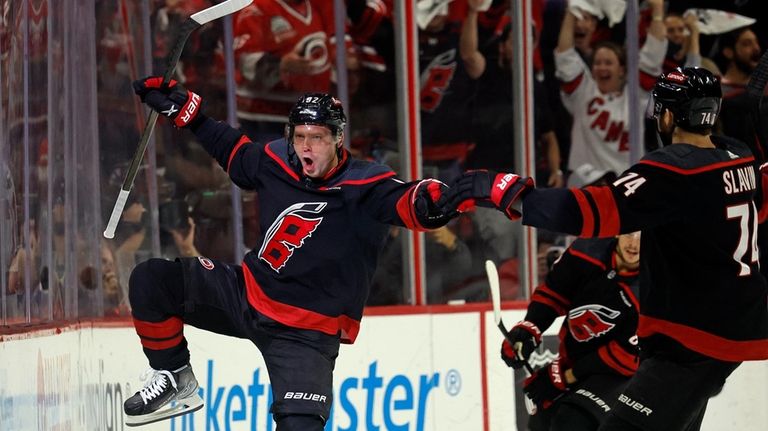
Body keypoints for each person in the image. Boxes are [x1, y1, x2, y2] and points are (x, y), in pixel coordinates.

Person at [439, 67, 768, 431]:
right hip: (731, 325)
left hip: (692, 340)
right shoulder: (738, 156)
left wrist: (507, 192)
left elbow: (593, 210)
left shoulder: (674, 170)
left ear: (669, 115)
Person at [121, 77, 451, 429]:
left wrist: (445, 199)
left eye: (318, 137)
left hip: (305, 332)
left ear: (338, 138)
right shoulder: (276, 159)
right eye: (301, 136)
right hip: (247, 294)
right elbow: (231, 147)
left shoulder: (367, 184)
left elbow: (410, 202)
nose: (307, 146)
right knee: (151, 280)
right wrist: (190, 114)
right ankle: (176, 379)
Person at [503, 232, 641, 431]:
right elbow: (554, 292)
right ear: (619, 230)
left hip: (623, 375)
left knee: (573, 422)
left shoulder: (653, 282)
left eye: (642, 235)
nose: (634, 243)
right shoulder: (588, 250)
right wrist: (529, 328)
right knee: (542, 422)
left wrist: (565, 376)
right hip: (577, 360)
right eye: (630, 233)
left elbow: (625, 355)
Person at [555, 0, 667, 176]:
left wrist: (658, 11)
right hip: (586, 184)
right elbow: (564, 55)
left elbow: (653, 55)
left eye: (608, 63)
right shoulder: (583, 92)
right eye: (598, 63)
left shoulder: (635, 97)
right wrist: (571, 11)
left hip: (627, 183)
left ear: (621, 70)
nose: (602, 68)